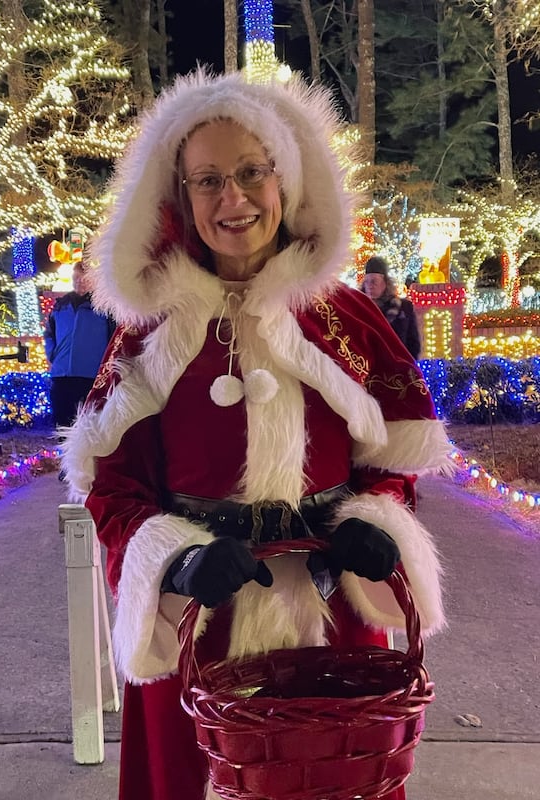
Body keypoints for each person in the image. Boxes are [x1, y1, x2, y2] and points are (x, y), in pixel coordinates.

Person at [62, 70, 453, 800]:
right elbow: (110, 485)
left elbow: (392, 462)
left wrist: (377, 521)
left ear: (286, 181)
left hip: (331, 617)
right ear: (180, 196)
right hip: (200, 625)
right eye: (207, 180)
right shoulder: (151, 335)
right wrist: (174, 563)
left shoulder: (345, 319)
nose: (232, 199)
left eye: (251, 173)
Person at [43, 259, 116, 430]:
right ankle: (65, 456)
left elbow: (114, 338)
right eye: (75, 278)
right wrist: (52, 354)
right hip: (62, 375)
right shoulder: (61, 305)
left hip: (90, 376)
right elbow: (49, 333)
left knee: (89, 427)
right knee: (63, 424)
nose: (79, 282)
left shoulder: (103, 307)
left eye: (83, 279)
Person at [361, 256, 422, 360]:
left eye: (374, 281)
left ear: (385, 283)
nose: (370, 286)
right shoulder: (360, 310)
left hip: (398, 367)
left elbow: (413, 344)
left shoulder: (404, 308)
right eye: (367, 282)